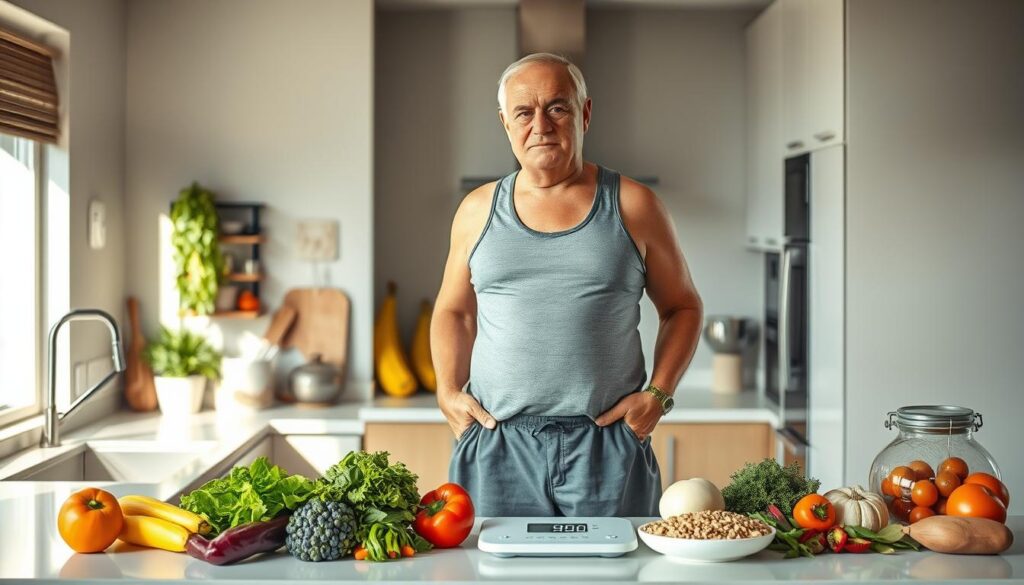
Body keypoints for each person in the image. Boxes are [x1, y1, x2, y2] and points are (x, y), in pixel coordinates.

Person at [431, 53, 703, 517]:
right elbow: (454, 311)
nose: (541, 124)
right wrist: (447, 391)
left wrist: (657, 395)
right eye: (524, 111)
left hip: (608, 443)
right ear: (505, 122)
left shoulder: (636, 205)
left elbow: (683, 308)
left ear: (585, 113)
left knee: (613, 573)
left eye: (557, 107)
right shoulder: (476, 210)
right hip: (497, 442)